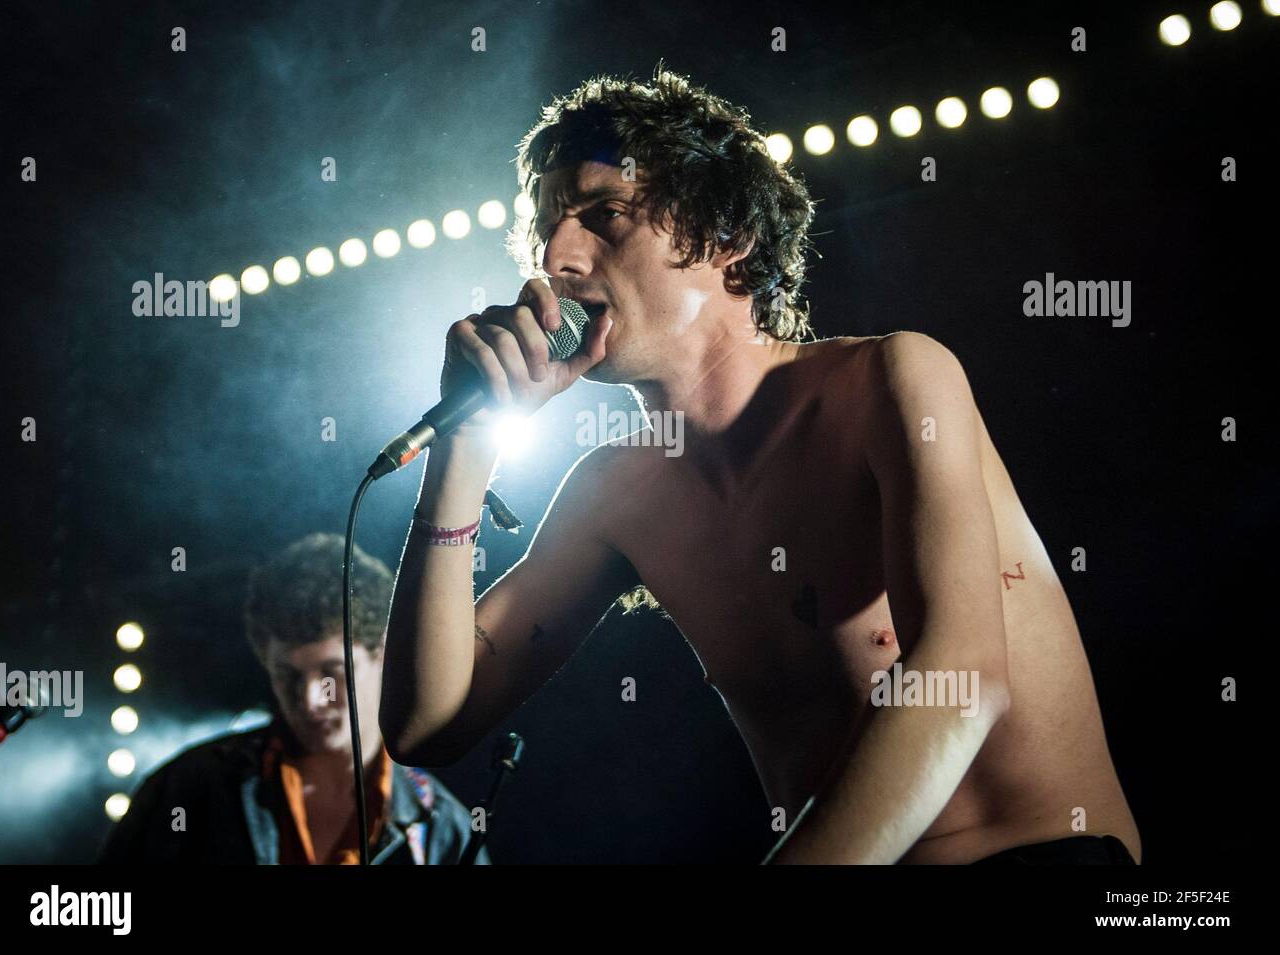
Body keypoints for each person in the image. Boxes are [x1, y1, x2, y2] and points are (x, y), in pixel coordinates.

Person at [379, 67, 1140, 865]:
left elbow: (964, 679)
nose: (557, 257)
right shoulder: (615, 493)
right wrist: (463, 450)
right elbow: (426, 723)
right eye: (546, 230)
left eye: (603, 216)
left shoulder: (893, 378)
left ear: (726, 236)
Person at [101, 533, 484, 864]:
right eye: (287, 675)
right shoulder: (187, 788)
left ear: (383, 653)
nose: (310, 699)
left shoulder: (444, 829)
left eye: (331, 672)